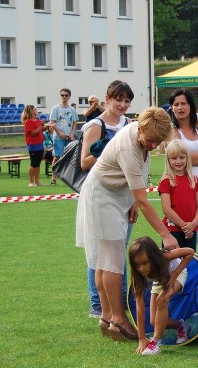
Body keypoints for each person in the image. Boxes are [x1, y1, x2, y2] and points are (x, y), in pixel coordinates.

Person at [76, 107, 177, 342]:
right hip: (103, 197)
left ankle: (107, 317)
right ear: (140, 129)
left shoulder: (139, 137)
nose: (154, 145)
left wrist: (130, 202)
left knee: (105, 260)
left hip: (115, 195)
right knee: (112, 260)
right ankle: (118, 320)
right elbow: (143, 200)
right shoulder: (127, 147)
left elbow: (137, 189)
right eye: (151, 140)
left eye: (158, 142)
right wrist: (165, 234)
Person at [79, 80, 134, 319]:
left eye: (126, 101)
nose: (122, 105)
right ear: (108, 98)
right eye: (118, 99)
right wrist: (111, 148)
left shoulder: (130, 124)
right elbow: (85, 162)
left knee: (118, 250)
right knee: (100, 252)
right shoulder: (96, 125)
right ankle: (98, 304)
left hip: (124, 193)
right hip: (101, 192)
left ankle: (119, 301)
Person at [129, 237, 194, 356]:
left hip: (177, 274)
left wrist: (175, 274)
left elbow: (190, 252)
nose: (141, 268)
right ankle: (181, 325)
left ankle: (156, 342)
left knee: (162, 300)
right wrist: (141, 338)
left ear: (153, 258)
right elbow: (139, 304)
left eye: (144, 263)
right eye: (137, 264)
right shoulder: (137, 274)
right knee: (154, 321)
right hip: (160, 278)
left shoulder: (164, 256)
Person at [169, 90, 198, 244]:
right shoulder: (173, 132)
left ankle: (191, 263)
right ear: (172, 108)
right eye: (176, 104)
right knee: (182, 233)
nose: (180, 107)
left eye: (183, 103)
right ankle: (179, 266)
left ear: (190, 106)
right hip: (182, 189)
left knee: (197, 230)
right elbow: (177, 161)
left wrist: (189, 157)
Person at [158, 140, 198, 250]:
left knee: (190, 262)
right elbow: (166, 209)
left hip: (191, 230)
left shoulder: (194, 180)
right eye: (174, 158)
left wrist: (193, 224)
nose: (178, 161)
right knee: (172, 265)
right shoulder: (166, 181)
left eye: (182, 157)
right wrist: (184, 226)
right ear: (168, 160)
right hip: (173, 231)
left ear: (187, 158)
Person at [49, 87, 78, 185]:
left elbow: (74, 122)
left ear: (69, 96)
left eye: (66, 95)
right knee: (57, 156)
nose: (64, 97)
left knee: (69, 157)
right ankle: (53, 178)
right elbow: (52, 122)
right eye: (62, 95)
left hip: (69, 136)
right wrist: (60, 132)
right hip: (58, 137)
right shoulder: (56, 108)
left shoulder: (72, 109)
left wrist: (72, 133)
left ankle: (68, 178)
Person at [22, 104, 51, 187]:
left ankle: (37, 181)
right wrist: (41, 126)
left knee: (38, 163)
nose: (36, 110)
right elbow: (33, 133)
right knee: (33, 163)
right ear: (31, 111)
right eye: (34, 109)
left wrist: (47, 126)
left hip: (40, 144)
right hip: (33, 145)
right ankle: (31, 182)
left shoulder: (37, 119)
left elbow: (40, 130)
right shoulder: (28, 121)